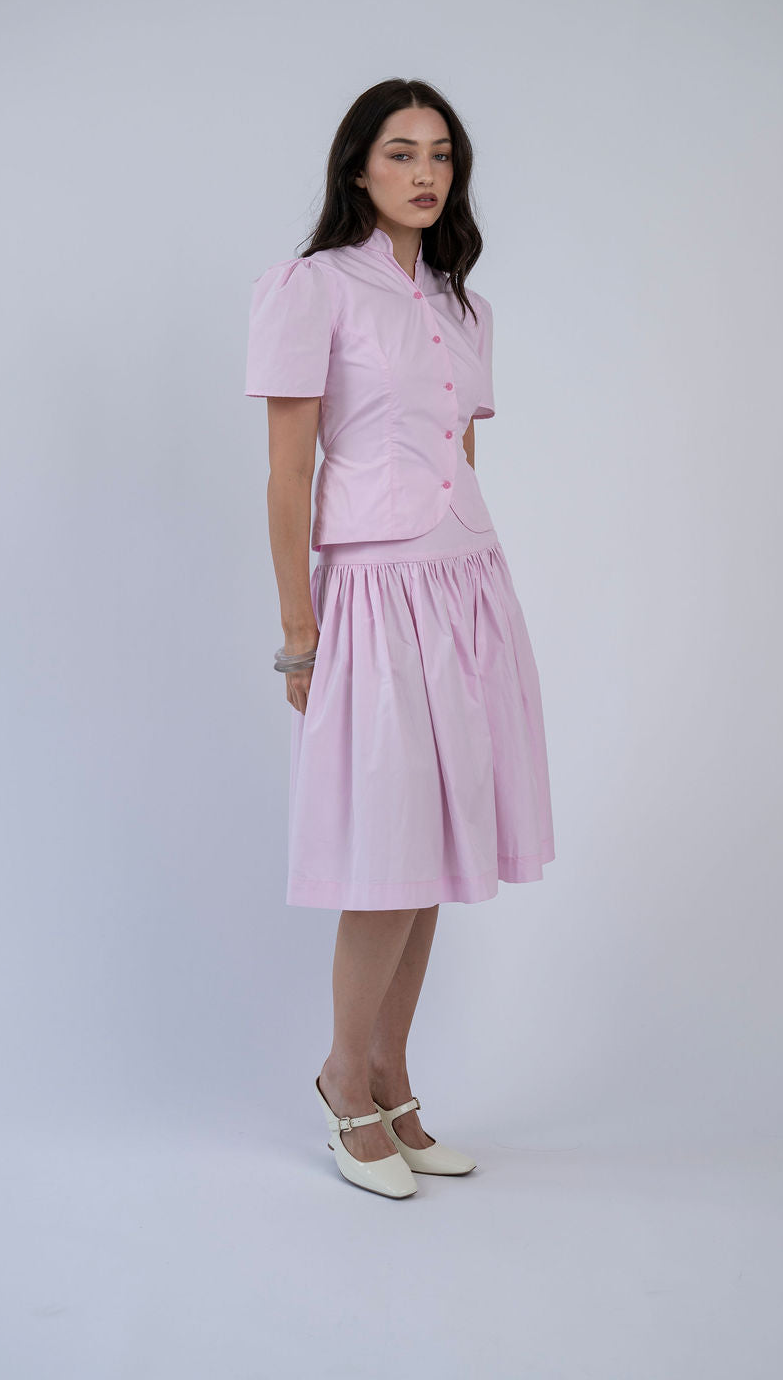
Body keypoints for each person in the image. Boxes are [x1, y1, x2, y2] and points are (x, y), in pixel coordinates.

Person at [245, 78, 555, 1199]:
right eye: (400, 152)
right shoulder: (312, 288)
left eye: (441, 155)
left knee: (431, 848)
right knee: (385, 848)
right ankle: (343, 1078)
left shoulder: (465, 306)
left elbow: (459, 449)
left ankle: (392, 1075)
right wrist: (300, 631)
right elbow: (289, 472)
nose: (425, 173)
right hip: (370, 591)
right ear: (358, 168)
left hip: (466, 583)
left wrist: (471, 575)